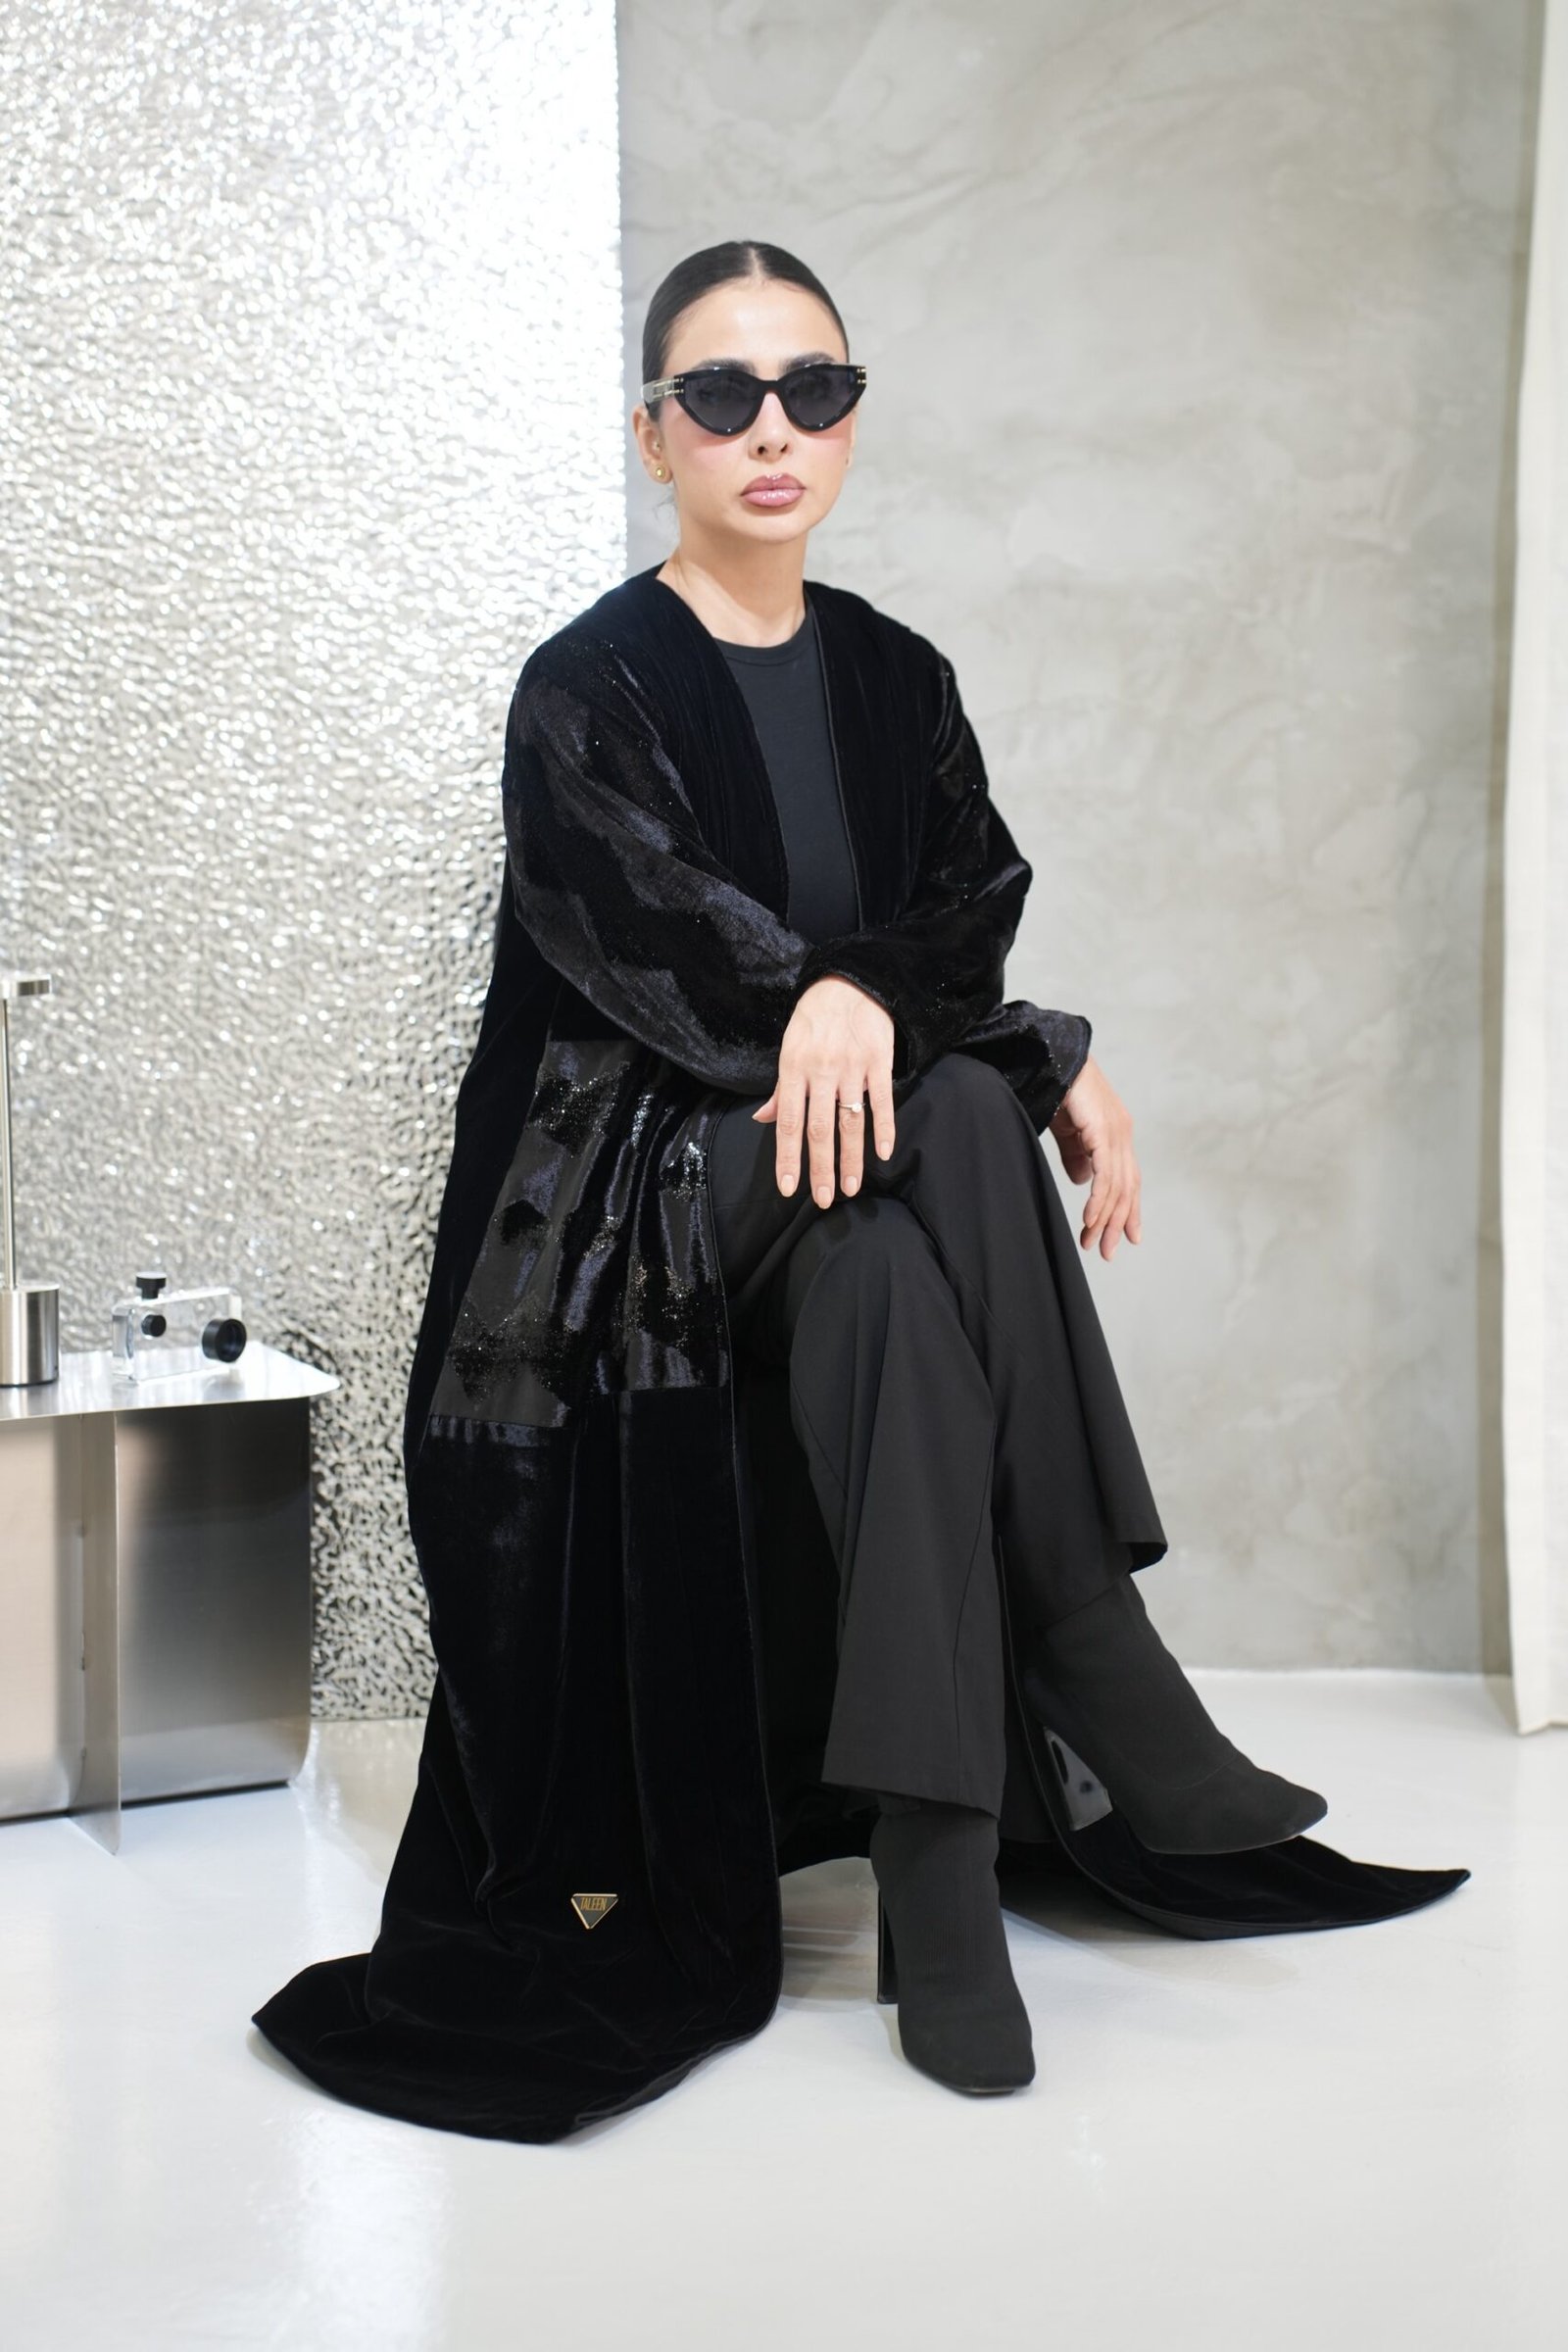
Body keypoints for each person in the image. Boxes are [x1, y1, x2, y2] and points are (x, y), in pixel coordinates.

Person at [250, 240, 1469, 2139]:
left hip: (828, 1210)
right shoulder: (584, 693)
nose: (770, 430)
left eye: (810, 390)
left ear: (849, 424)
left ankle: (936, 1874)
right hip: (626, 1216)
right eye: (720, 394)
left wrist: (942, 1023)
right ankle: (1099, 1654)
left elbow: (969, 914)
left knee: (899, 1272)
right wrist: (991, 1046)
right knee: (971, 1111)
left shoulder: (900, 679)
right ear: (653, 435)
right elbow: (673, 953)